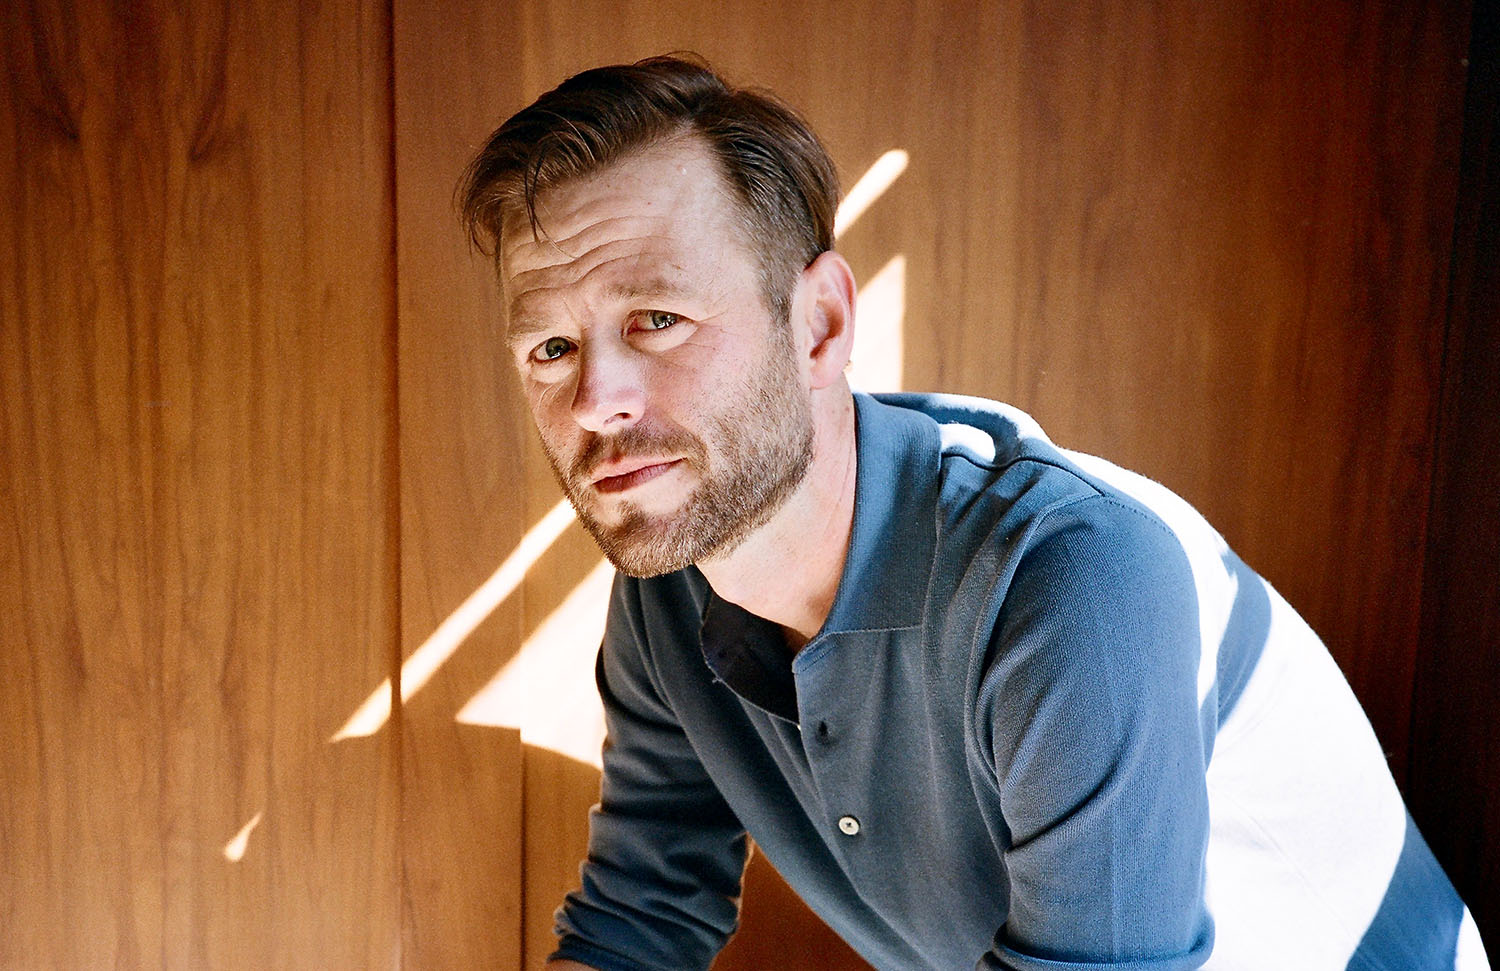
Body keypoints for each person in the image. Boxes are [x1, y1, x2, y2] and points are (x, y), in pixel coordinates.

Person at [458, 55, 1489, 971]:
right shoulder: (667, 602)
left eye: (658, 318)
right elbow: (637, 924)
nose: (597, 399)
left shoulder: (1074, 578)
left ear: (818, 324)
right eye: (550, 348)